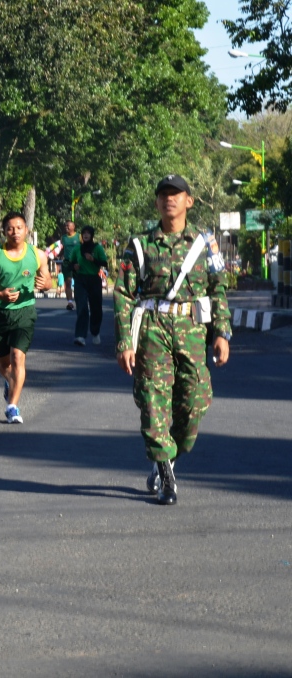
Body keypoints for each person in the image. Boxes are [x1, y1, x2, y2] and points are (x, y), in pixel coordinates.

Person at [114, 174, 231, 506]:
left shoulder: (205, 245)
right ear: (156, 203)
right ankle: (166, 475)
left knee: (195, 401)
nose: (169, 199)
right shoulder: (139, 245)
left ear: (188, 201)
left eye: (176, 194)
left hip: (193, 330)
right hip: (152, 329)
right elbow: (123, 295)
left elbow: (217, 289)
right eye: (163, 194)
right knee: (153, 402)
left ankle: (166, 456)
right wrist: (126, 342)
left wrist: (222, 333)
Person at [0, 212, 53, 423]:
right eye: (10, 228)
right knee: (4, 364)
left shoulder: (38, 255)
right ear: (4, 232)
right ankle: (10, 381)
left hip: (24, 313)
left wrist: (44, 284)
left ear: (26, 230)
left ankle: (12, 406)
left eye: (19, 228)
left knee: (18, 357)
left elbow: (48, 282)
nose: (15, 232)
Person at [68, 225, 108, 346]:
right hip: (80, 279)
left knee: (96, 308)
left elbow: (104, 263)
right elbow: (69, 263)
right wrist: (73, 266)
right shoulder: (77, 248)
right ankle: (80, 336)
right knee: (82, 307)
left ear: (92, 235)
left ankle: (95, 332)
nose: (86, 235)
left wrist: (93, 259)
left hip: (94, 280)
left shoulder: (98, 248)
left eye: (88, 233)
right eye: (84, 233)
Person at [60, 221, 81, 310]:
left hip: (77, 262)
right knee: (68, 282)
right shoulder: (63, 238)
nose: (66, 227)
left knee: (78, 283)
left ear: (73, 226)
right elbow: (61, 248)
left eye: (68, 226)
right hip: (67, 263)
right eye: (65, 226)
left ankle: (79, 301)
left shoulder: (79, 236)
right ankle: (70, 303)